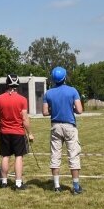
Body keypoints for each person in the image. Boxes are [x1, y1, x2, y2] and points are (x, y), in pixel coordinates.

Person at [43, 66, 84, 194]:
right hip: (69, 126)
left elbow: (44, 112)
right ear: (65, 77)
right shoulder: (72, 91)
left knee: (55, 155)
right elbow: (79, 110)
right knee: (73, 155)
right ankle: (76, 187)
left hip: (55, 126)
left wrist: (53, 109)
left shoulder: (48, 93)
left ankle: (56, 186)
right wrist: (70, 108)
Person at [0, 74, 33, 191]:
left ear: (7, 83)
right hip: (18, 132)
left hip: (4, 132)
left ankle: (4, 182)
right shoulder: (22, 100)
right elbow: (25, 119)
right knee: (18, 157)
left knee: (5, 156)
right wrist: (30, 133)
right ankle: (18, 183)